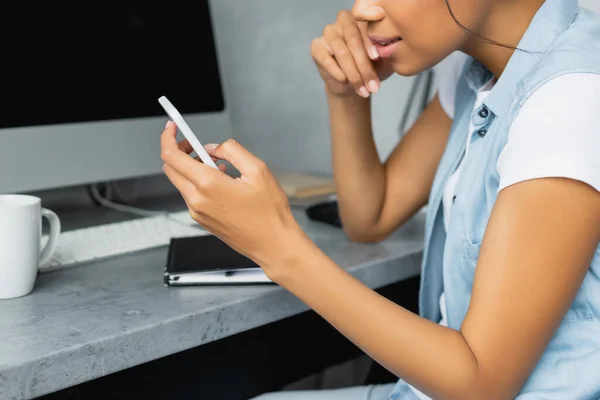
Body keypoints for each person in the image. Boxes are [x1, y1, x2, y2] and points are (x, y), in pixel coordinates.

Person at [159, 0, 600, 398]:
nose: (362, 9)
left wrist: (275, 245)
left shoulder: (569, 98)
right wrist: (346, 94)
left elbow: (480, 384)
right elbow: (371, 215)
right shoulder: (484, 64)